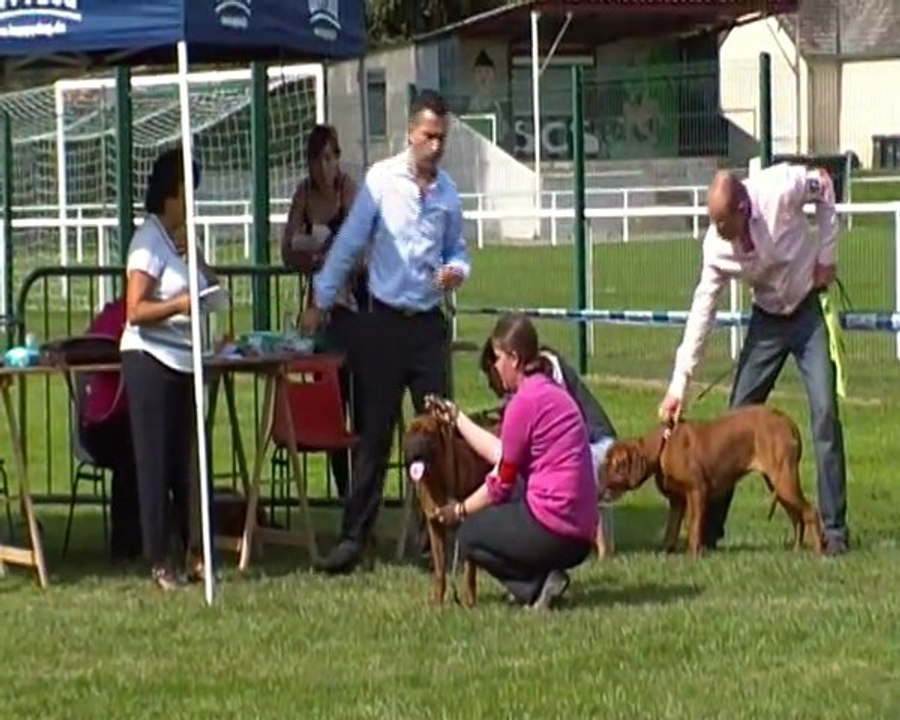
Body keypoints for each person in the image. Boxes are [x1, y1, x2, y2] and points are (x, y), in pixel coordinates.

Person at [301, 89, 470, 574]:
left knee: (438, 434)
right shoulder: (381, 182)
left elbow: (459, 250)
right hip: (383, 325)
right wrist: (320, 299)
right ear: (409, 135)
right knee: (373, 436)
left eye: (442, 138)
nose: (436, 146)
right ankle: (354, 539)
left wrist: (457, 270)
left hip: (427, 328)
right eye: (428, 137)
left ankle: (438, 536)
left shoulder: (449, 195)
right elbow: (350, 243)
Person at [657, 163, 849, 556]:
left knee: (825, 412)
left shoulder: (781, 188)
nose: (722, 236)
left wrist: (826, 255)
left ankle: (833, 531)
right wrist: (680, 384)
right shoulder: (716, 245)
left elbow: (825, 183)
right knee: (736, 417)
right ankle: (708, 532)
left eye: (726, 226)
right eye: (715, 227)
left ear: (744, 206)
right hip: (766, 322)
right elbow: (702, 312)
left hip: (807, 312)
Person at [431, 314, 598, 610]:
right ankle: (543, 578)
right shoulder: (549, 392)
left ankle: (534, 588)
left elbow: (501, 484)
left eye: (496, 359)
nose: (494, 368)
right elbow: (503, 454)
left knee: (469, 535)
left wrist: (459, 510)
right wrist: (458, 419)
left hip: (558, 528)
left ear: (513, 358)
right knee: (513, 496)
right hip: (583, 531)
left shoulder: (524, 403)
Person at [119, 148, 220, 591]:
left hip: (186, 361)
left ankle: (198, 551)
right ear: (171, 194)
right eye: (188, 192)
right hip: (150, 360)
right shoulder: (147, 242)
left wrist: (197, 258)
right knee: (156, 463)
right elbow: (135, 309)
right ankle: (160, 559)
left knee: (191, 463)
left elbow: (209, 282)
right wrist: (182, 305)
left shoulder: (181, 238)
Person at [281, 125, 360, 499]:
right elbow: (286, 249)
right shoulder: (303, 194)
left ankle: (360, 489)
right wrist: (312, 254)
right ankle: (344, 489)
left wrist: (335, 256)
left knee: (357, 401)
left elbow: (360, 245)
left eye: (330, 157)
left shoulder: (350, 190)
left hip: (353, 308)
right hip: (319, 311)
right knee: (330, 401)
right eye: (318, 159)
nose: (324, 167)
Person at [480, 338, 618, 478]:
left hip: (600, 451)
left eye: (490, 374)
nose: (490, 384)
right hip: (592, 452)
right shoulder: (535, 378)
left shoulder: (542, 377)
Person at [79, 295, 141, 562]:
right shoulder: (116, 313)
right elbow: (87, 348)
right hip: (104, 422)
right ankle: (125, 544)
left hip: (136, 419)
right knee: (131, 457)